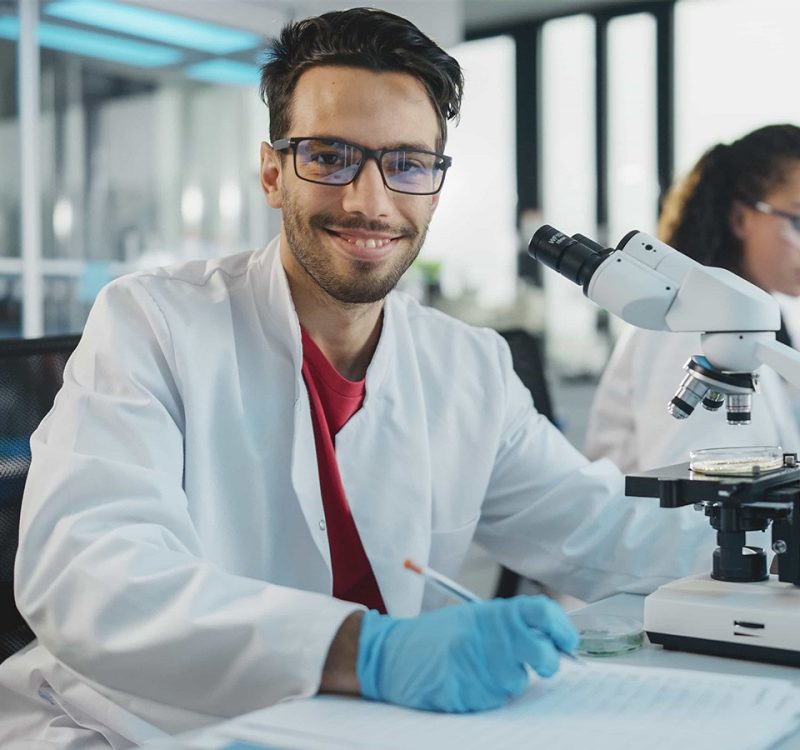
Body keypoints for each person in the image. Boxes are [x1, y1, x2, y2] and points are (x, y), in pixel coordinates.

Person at [0, 8, 714, 749]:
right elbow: (88, 572)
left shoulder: (467, 366)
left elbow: (600, 528)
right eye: (330, 156)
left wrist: (765, 546)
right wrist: (365, 651)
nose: (370, 200)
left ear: (435, 186)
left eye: (407, 163)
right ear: (273, 173)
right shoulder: (153, 324)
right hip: (131, 727)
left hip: (352, 730)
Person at [585, 124, 800, 473]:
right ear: (740, 218)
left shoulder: (751, 321)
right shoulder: (693, 326)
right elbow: (694, 494)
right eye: (799, 221)